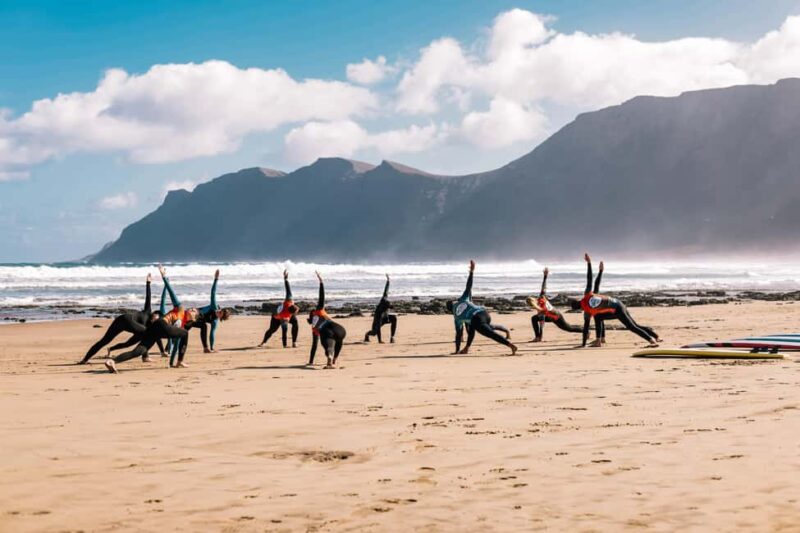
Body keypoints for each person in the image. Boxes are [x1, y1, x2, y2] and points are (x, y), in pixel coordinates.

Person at [572, 254, 661, 348]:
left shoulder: (587, 312)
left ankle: (652, 340)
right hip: (618, 303)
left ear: (579, 309)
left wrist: (583, 344)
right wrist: (589, 263)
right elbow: (590, 279)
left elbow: (586, 328)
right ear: (578, 300)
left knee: (631, 327)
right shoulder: (587, 294)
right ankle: (599, 340)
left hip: (617, 309)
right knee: (598, 317)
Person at [79, 274, 164, 364]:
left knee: (107, 341)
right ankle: (85, 359)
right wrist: (148, 282)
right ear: (155, 313)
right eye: (156, 316)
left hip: (122, 322)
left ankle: (84, 360)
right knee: (105, 340)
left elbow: (154, 338)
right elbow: (148, 297)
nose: (155, 319)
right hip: (126, 319)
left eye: (157, 320)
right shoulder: (148, 311)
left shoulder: (147, 327)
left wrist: (162, 351)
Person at [446, 260, 517, 356]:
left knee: (490, 333)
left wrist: (457, 350)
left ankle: (511, 346)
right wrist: (471, 272)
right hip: (484, 313)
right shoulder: (462, 299)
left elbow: (458, 335)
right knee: (473, 327)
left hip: (476, 318)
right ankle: (467, 348)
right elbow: (468, 286)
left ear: (450, 310)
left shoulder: (456, 317)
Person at [103, 311, 188, 374]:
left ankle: (112, 361)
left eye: (194, 310)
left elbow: (176, 344)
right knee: (185, 333)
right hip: (161, 325)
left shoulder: (185, 322)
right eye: (193, 310)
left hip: (154, 331)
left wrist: (170, 359)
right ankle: (180, 361)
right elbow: (172, 297)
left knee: (137, 352)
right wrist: (166, 286)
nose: (192, 310)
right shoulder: (181, 310)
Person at [528, 267, 582, 342]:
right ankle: (537, 336)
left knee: (568, 328)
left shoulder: (541, 306)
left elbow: (542, 323)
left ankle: (585, 331)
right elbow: (543, 288)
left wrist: (540, 337)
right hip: (550, 315)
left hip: (556, 316)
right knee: (534, 318)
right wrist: (545, 276)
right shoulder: (540, 297)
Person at [307, 272, 347, 368]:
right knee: (339, 341)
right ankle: (334, 360)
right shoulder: (319, 311)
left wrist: (311, 361)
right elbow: (322, 297)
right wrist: (321, 283)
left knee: (328, 345)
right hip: (339, 329)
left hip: (326, 331)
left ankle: (330, 357)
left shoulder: (314, 327)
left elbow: (314, 345)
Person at [260, 270, 300, 348]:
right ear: (292, 313)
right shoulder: (284, 316)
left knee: (295, 323)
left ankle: (294, 342)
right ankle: (263, 342)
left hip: (284, 313)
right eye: (296, 312)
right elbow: (284, 331)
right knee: (272, 330)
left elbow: (288, 290)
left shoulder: (289, 300)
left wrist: (286, 279)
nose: (297, 312)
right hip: (276, 317)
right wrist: (285, 345)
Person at [363, 274, 397, 344]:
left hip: (385, 317)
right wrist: (380, 340)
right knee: (374, 332)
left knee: (394, 318)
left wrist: (388, 281)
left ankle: (392, 337)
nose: (388, 308)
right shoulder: (379, 312)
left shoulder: (384, 298)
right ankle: (367, 335)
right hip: (378, 320)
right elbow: (378, 328)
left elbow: (386, 291)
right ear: (384, 306)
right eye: (387, 307)